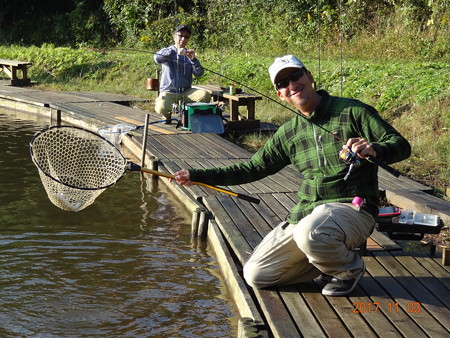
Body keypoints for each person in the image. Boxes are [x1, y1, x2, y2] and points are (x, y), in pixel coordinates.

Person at [173, 55, 411, 296]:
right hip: (306, 214)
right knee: (256, 275)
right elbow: (252, 168)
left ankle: (348, 268)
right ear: (280, 95)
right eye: (282, 83)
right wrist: (198, 175)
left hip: (353, 208)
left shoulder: (353, 111)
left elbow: (400, 145)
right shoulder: (288, 133)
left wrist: (374, 149)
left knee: (311, 232)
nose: (291, 85)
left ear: (309, 76)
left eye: (295, 76)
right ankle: (324, 259)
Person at [154, 24, 211, 122]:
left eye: (186, 37)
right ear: (174, 36)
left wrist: (193, 60)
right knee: (161, 107)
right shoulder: (167, 51)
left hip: (186, 92)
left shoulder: (188, 54)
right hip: (169, 92)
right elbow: (157, 58)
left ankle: (187, 115)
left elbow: (199, 73)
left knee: (205, 95)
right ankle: (167, 115)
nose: (183, 39)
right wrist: (175, 51)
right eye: (180, 35)